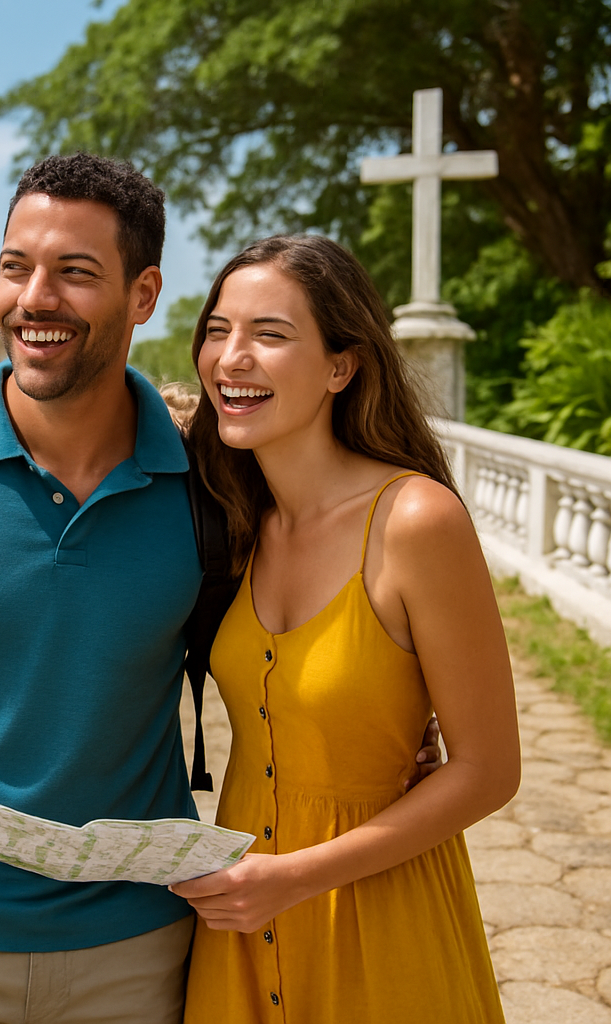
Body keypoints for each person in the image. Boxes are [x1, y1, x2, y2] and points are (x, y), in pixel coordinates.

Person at [0, 155, 440, 1024]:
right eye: (15, 266)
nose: (34, 299)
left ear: (144, 295)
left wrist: (391, 721)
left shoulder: (219, 490)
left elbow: (314, 624)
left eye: (75, 272)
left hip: (142, 951)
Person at [171, 235, 520, 1022]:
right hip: (239, 928)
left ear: (341, 366)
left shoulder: (415, 521)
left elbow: (489, 769)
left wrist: (292, 878)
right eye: (218, 331)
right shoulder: (231, 519)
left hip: (378, 924)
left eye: (270, 333)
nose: (232, 357)